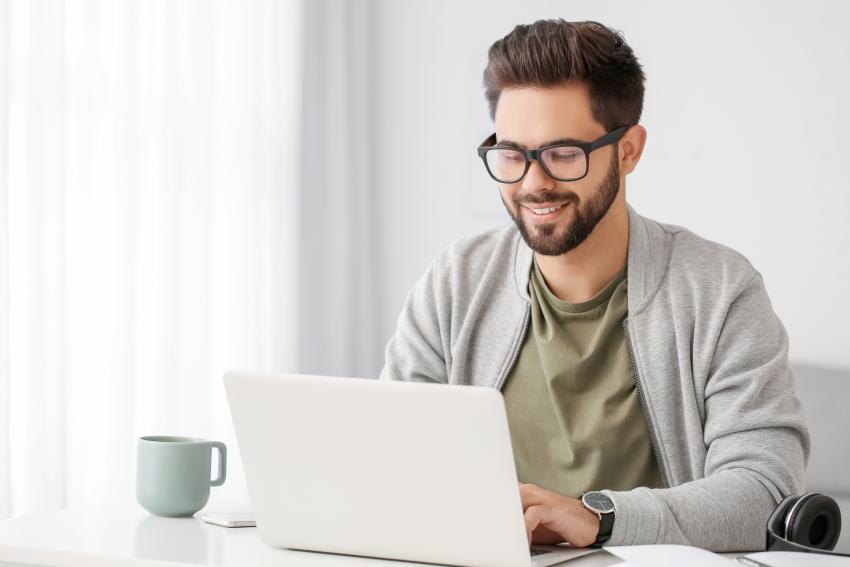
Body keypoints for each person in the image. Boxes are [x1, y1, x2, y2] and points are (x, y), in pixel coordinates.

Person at [379, 19, 809, 552]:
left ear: (628, 150)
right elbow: (393, 457)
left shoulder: (719, 289)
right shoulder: (456, 282)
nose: (534, 182)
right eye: (512, 153)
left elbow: (764, 494)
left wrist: (599, 517)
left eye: (563, 153)